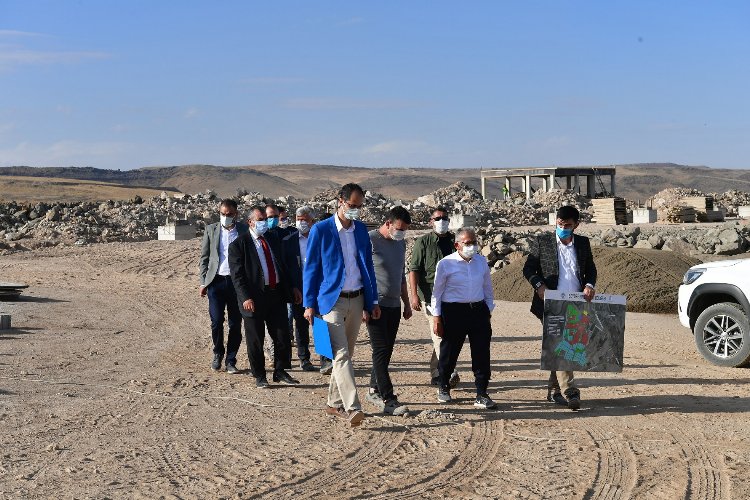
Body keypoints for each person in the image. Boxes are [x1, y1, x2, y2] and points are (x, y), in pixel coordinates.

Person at [303, 183, 380, 428]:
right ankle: (353, 407)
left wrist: (372, 300)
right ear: (340, 201)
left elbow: (368, 267)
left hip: (357, 299)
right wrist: (309, 304)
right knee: (341, 354)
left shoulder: (360, 231)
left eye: (360, 206)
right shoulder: (321, 230)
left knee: (346, 355)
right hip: (331, 301)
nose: (356, 210)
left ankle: (332, 403)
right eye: (352, 205)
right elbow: (311, 269)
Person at [522, 205, 597, 411]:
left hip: (575, 303)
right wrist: (539, 284)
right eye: (560, 224)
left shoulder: (582, 243)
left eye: (568, 225)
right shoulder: (543, 242)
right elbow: (528, 268)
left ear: (576, 225)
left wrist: (589, 285)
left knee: (567, 343)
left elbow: (590, 267)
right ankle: (570, 391)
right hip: (550, 303)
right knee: (564, 343)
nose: (563, 228)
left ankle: (555, 390)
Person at [229, 205, 300, 388]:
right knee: (256, 339)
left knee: (282, 335)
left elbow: (282, 266)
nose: (264, 223)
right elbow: (237, 276)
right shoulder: (238, 245)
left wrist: (293, 287)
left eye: (264, 219)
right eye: (260, 220)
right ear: (250, 222)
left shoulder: (272, 239)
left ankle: (280, 371)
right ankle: (260, 375)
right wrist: (245, 297)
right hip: (253, 298)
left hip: (275, 294)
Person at [431, 227, 496, 410]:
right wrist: (437, 316)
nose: (471, 246)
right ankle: (443, 385)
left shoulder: (481, 262)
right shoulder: (445, 264)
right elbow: (437, 293)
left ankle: (481, 393)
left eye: (474, 242)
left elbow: (487, 288)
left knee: (482, 353)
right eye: (467, 243)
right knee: (449, 351)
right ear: (457, 245)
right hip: (453, 311)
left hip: (478, 310)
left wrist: (488, 310)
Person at [365, 206, 413, 416]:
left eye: (404, 230)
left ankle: (373, 388)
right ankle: (388, 397)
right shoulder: (370, 240)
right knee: (380, 350)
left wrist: (407, 303)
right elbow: (362, 274)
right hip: (376, 305)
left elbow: (400, 275)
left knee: (386, 351)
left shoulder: (400, 243)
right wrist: (366, 304)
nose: (401, 233)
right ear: (388, 223)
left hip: (394, 305)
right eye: (399, 228)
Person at [407, 206, 459, 387]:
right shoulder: (423, 242)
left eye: (444, 218)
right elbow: (414, 270)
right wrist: (413, 295)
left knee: (448, 335)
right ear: (431, 221)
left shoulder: (455, 241)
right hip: (429, 296)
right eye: (438, 218)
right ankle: (449, 372)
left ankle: (436, 372)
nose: (441, 221)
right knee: (439, 334)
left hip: (452, 297)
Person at [198, 199, 248, 374]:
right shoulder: (211, 230)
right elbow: (204, 258)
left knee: (235, 323)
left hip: (237, 284)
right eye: (223, 214)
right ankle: (217, 353)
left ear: (236, 214)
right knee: (216, 321)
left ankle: (231, 360)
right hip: (216, 282)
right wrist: (203, 281)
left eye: (229, 214)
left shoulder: (243, 230)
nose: (225, 217)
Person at [281, 205, 330, 372]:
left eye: (305, 220)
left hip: (320, 289)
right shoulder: (288, 242)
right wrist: (293, 288)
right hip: (299, 290)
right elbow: (286, 268)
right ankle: (304, 359)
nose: (301, 223)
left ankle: (325, 360)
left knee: (321, 323)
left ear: (313, 221)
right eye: (298, 220)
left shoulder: (322, 239)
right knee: (301, 325)